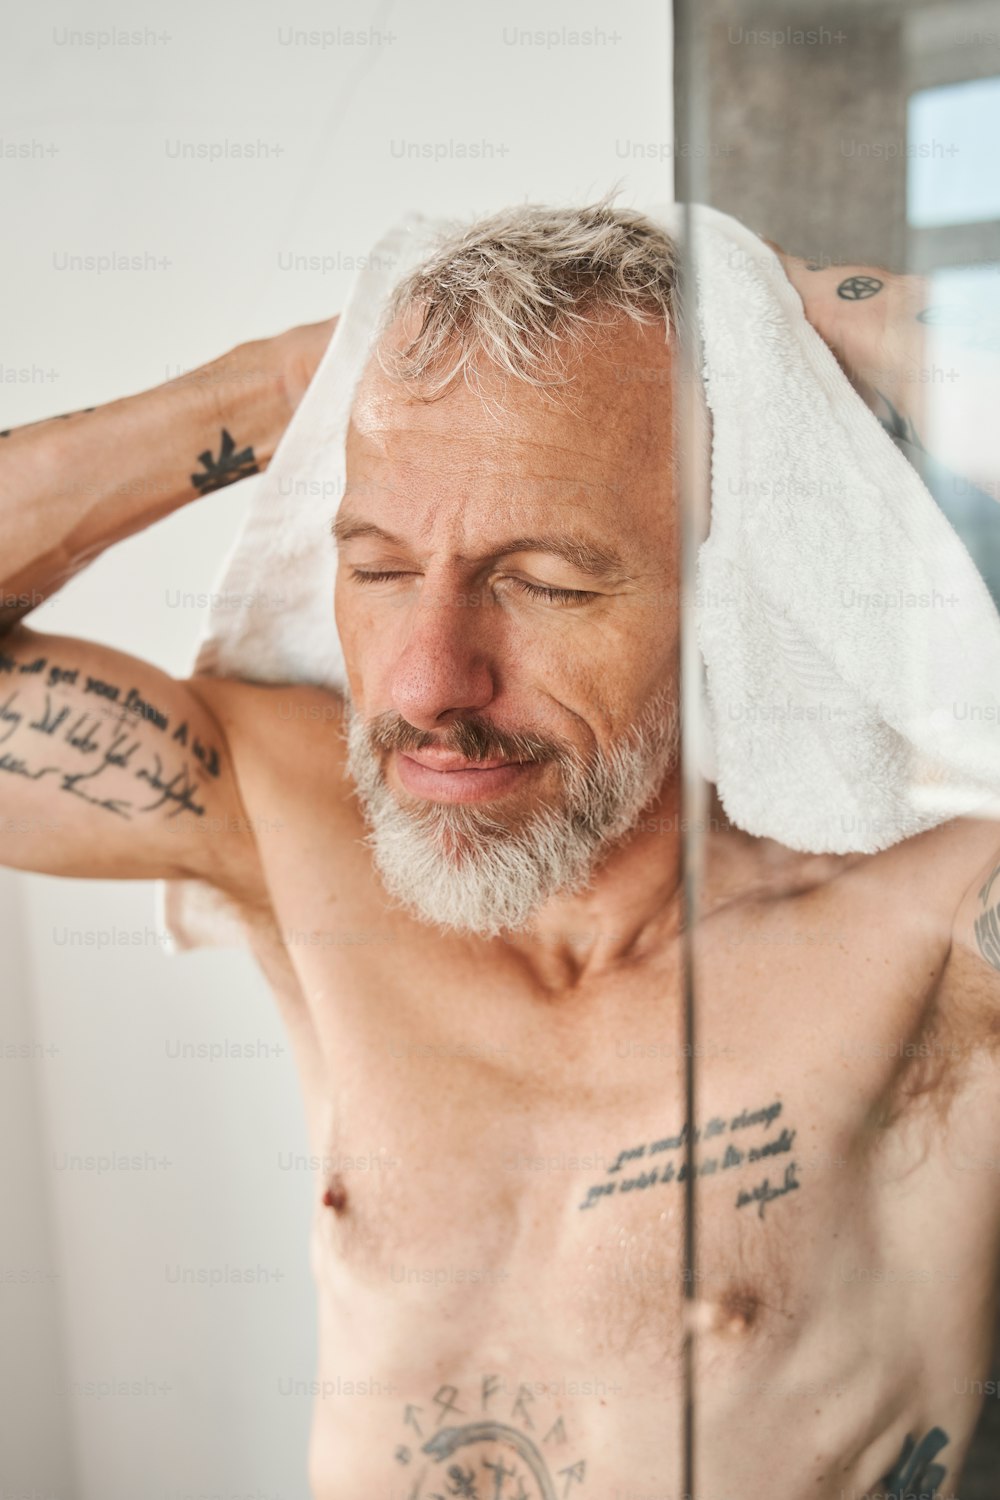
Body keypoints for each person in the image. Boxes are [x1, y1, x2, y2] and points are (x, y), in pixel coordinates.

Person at [1, 200, 998, 1500]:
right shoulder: (308, 827)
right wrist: (301, 381)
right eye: (376, 568)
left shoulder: (936, 940)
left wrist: (826, 330)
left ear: (725, 578)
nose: (428, 683)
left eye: (545, 582)